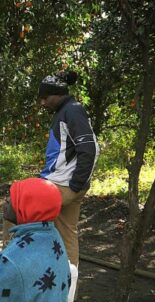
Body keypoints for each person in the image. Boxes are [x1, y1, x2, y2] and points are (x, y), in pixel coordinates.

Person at [38, 70, 99, 267]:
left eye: (46, 97)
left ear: (58, 93)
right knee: (66, 233)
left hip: (63, 184)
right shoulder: (65, 111)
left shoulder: (72, 111)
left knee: (14, 209)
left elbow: (89, 149)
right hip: (63, 182)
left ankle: (9, 273)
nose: (43, 103)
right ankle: (68, 288)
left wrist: (76, 185)